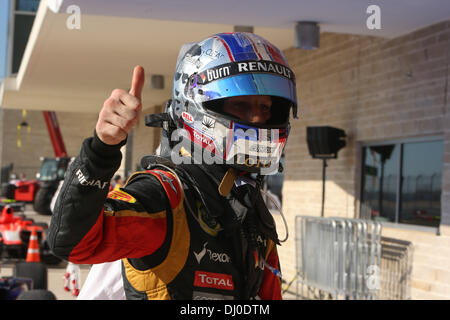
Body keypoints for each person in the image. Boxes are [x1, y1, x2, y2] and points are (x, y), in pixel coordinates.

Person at [48, 32, 298, 300]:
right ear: (198, 104)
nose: (259, 117)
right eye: (241, 104)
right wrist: (101, 151)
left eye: (266, 106)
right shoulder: (166, 197)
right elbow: (74, 244)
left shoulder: (251, 206)